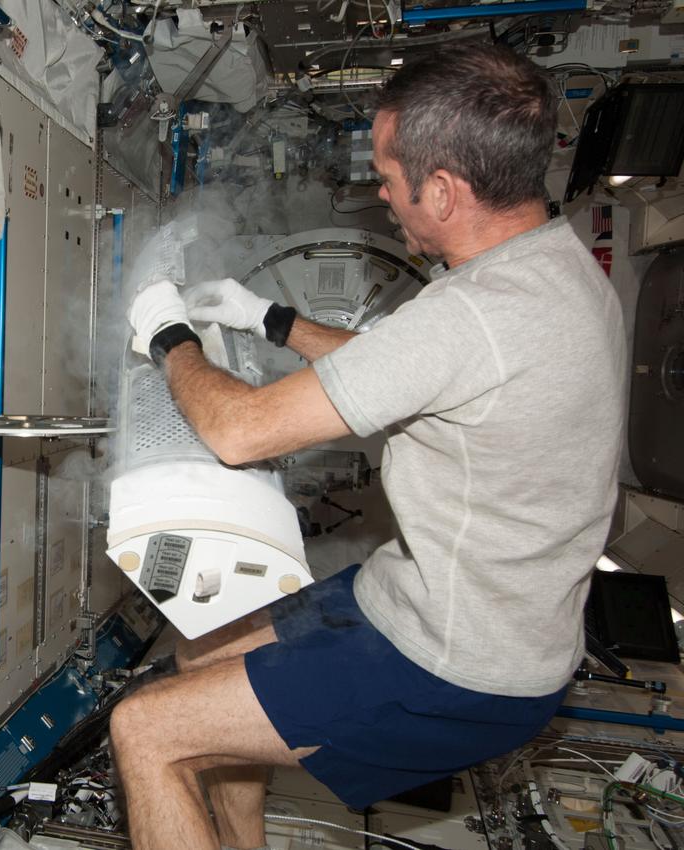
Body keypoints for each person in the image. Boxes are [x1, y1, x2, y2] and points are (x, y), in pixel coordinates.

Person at [116, 42, 627, 850]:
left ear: (445, 190)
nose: (382, 195)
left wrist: (166, 330)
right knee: (205, 633)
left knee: (145, 732)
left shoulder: (472, 314)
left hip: (452, 665)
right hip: (453, 610)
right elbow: (406, 371)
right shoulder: (554, 270)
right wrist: (267, 319)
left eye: (390, 178)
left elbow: (238, 432)